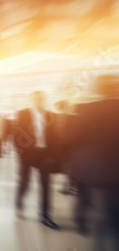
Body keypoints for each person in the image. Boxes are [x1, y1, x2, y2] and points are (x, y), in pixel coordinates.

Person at [66, 74, 119, 248]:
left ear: (98, 89)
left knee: (101, 211)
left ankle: (86, 226)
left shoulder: (85, 108)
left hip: (95, 171)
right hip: (111, 170)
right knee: (111, 213)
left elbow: (70, 138)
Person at [14, 91, 60, 230]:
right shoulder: (23, 114)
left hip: (44, 155)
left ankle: (45, 215)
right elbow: (16, 135)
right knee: (24, 182)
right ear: (31, 100)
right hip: (27, 155)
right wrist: (21, 153)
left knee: (46, 186)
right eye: (36, 99)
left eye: (41, 99)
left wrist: (53, 156)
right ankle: (19, 200)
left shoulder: (50, 115)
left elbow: (53, 137)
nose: (39, 101)